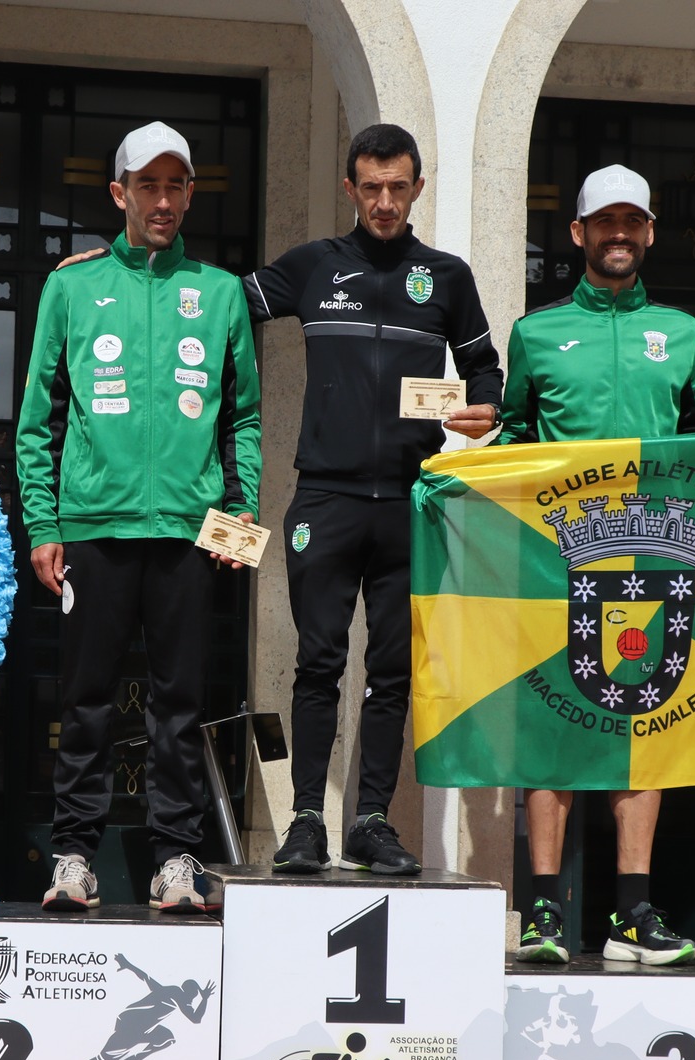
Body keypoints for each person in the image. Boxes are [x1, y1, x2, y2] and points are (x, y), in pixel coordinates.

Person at [244, 124, 504, 875]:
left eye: (397, 188)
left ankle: (370, 820)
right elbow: (215, 304)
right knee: (318, 663)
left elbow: (486, 369)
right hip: (325, 499)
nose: (384, 202)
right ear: (350, 189)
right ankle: (304, 821)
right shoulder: (313, 266)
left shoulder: (446, 276)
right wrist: (125, 263)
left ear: (418, 187)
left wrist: (487, 410)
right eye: (371, 188)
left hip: (409, 504)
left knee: (392, 671)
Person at [17, 121, 262, 912]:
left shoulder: (220, 292)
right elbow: (38, 419)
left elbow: (243, 418)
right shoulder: (72, 287)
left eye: (175, 185)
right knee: (85, 699)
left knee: (180, 706)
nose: (162, 200)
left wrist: (239, 512)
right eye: (147, 185)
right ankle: (73, 857)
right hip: (94, 527)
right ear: (118, 193)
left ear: (191, 193)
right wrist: (44, 524)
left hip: (189, 534)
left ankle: (175, 859)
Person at [497, 164, 695, 969]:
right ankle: (543, 911)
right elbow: (513, 437)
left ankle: (631, 913)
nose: (618, 234)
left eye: (632, 221)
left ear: (650, 231)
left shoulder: (683, 331)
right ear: (579, 234)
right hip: (558, 562)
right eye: (604, 222)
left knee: (644, 726)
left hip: (656, 560)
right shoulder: (536, 333)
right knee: (552, 728)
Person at [42, 954, 215, 1060]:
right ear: (189, 993)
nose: (192, 1001)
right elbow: (196, 1018)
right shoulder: (179, 995)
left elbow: (146, 977)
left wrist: (128, 965)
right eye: (194, 997)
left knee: (167, 1038)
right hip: (131, 1029)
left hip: (140, 1028)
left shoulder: (167, 991)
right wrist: (205, 998)